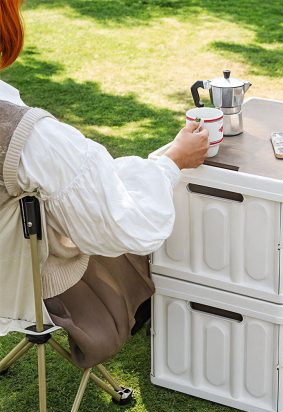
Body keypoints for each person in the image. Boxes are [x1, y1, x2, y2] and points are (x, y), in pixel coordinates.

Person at [0, 0, 209, 367]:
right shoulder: (27, 135)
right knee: (122, 242)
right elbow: (123, 223)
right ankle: (120, 318)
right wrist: (171, 162)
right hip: (19, 286)